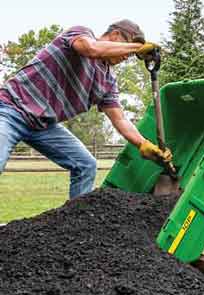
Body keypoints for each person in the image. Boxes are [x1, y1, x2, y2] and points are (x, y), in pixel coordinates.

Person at [0, 20, 172, 199]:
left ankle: (74, 224)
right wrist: (136, 48)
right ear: (115, 35)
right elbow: (92, 49)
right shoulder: (81, 34)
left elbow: (120, 119)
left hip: (43, 126)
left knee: (85, 164)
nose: (126, 56)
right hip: (11, 108)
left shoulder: (108, 81)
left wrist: (143, 144)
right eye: (128, 46)